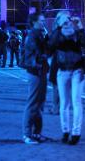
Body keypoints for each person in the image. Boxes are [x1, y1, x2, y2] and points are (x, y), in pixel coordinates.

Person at [48, 13, 85, 145]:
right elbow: (51, 45)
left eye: (69, 19)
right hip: (62, 71)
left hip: (77, 70)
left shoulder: (76, 32)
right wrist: (59, 27)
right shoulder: (57, 34)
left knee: (76, 102)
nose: (68, 22)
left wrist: (80, 26)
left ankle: (76, 133)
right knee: (64, 103)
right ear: (59, 22)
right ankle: (65, 131)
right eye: (64, 20)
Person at [22, 12, 49, 145]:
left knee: (40, 103)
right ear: (34, 22)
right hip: (35, 71)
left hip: (41, 70)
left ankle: (37, 132)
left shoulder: (39, 34)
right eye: (41, 20)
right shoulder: (33, 35)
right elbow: (36, 53)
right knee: (32, 103)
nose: (43, 22)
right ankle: (27, 134)